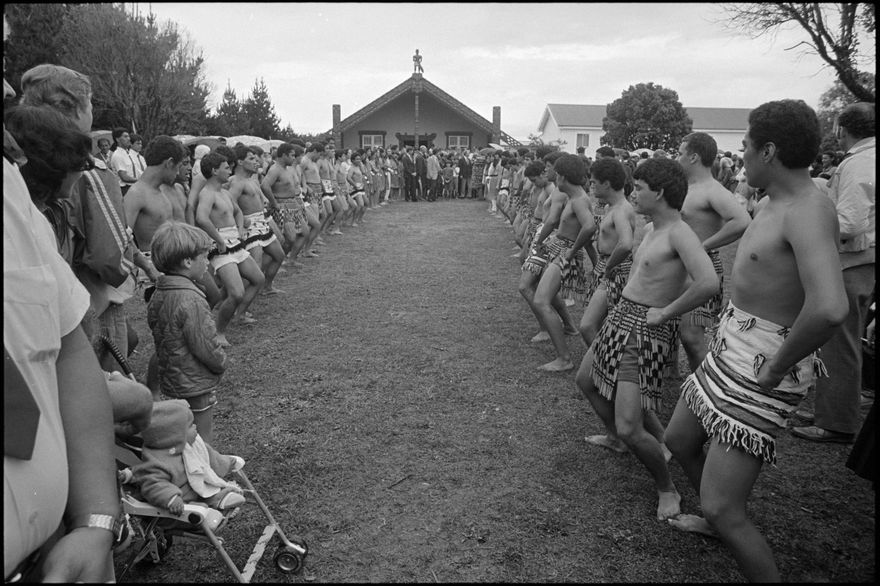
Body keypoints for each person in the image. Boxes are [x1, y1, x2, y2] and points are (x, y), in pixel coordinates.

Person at [663, 100, 848, 582]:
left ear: (768, 150)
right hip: (730, 346)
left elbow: (830, 306)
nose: (740, 154)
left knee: (726, 508)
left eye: (745, 145)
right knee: (680, 438)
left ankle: (720, 517)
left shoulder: (808, 210)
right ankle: (712, 514)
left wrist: (776, 366)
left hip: (764, 360)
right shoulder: (768, 201)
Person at [4, 16, 120, 581]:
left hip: (57, 548)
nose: (5, 92)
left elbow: (65, 346)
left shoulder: (10, 193)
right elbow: (101, 254)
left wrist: (97, 520)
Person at [575, 157, 718, 523]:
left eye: (639, 187)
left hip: (643, 330)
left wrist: (667, 313)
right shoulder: (653, 229)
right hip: (621, 318)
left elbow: (708, 282)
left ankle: (666, 486)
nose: (634, 192)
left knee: (629, 424)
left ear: (661, 192)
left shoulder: (680, 233)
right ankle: (628, 441)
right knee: (586, 380)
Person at [792, 102, 875, 444]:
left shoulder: (859, 162)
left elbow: (851, 221)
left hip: (855, 260)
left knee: (840, 341)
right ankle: (831, 409)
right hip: (862, 260)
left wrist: (810, 231)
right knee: (836, 340)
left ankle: (837, 422)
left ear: (843, 129)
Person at [674, 132, 751, 372]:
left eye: (680, 153)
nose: (677, 157)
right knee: (677, 329)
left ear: (694, 157)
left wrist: (703, 246)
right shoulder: (689, 187)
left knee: (692, 336)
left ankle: (705, 388)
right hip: (679, 267)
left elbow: (741, 221)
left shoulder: (712, 190)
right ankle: (678, 375)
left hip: (700, 269)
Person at [147, 221, 228, 443]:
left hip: (173, 377)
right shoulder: (191, 299)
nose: (208, 263)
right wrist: (220, 362)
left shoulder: (159, 293)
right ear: (187, 261)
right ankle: (205, 473)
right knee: (202, 438)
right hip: (195, 381)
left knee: (185, 432)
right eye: (205, 257)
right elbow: (204, 343)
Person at [529, 154, 595, 371]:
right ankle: (564, 345)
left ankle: (564, 358)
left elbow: (589, 227)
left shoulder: (579, 201)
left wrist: (571, 251)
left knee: (540, 301)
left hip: (564, 253)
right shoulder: (574, 198)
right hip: (559, 249)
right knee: (543, 296)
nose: (554, 178)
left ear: (563, 177)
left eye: (556, 174)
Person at [195, 153, 266, 346]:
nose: (229, 171)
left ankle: (237, 314)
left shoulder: (224, 193)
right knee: (236, 292)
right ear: (214, 170)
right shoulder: (207, 193)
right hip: (221, 246)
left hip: (235, 242)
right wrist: (218, 240)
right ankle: (218, 332)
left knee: (258, 279)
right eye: (226, 167)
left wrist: (241, 228)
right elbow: (201, 218)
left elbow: (238, 212)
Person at [133, 400, 245, 514]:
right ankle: (207, 508)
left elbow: (211, 458)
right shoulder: (158, 461)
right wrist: (171, 498)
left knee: (209, 491)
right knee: (197, 510)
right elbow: (154, 484)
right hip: (182, 502)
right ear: (174, 436)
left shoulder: (193, 446)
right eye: (191, 425)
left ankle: (215, 499)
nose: (195, 426)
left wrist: (227, 462)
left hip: (200, 491)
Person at [578, 158, 636, 348]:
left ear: (607, 183)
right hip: (607, 266)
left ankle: (604, 365)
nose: (591, 185)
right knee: (602, 322)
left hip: (614, 270)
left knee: (587, 325)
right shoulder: (611, 207)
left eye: (594, 182)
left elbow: (626, 244)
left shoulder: (620, 210)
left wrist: (609, 266)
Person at [228, 145, 285, 297]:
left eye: (255, 158)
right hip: (250, 226)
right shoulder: (236, 181)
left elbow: (260, 197)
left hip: (262, 222)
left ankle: (266, 286)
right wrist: (241, 218)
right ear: (240, 162)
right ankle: (241, 306)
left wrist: (266, 202)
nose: (256, 162)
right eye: (251, 159)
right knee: (255, 265)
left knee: (279, 255)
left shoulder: (251, 179)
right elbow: (228, 203)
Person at [261, 142, 310, 265]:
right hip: (282, 205)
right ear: (283, 155)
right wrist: (274, 203)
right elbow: (265, 186)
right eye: (292, 156)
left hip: (293, 204)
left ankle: (290, 260)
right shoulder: (275, 169)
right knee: (289, 238)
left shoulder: (287, 169)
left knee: (304, 232)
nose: (294, 158)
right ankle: (278, 262)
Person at [109, 127, 137, 195]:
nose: (129, 139)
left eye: (128, 136)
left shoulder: (129, 153)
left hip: (134, 187)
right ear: (118, 139)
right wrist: (140, 180)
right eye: (125, 137)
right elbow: (124, 177)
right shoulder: (118, 155)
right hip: (125, 189)